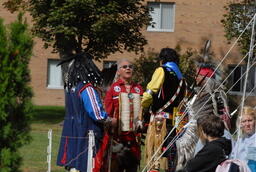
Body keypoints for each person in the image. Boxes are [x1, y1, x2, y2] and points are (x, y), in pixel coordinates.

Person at [56, 53, 116, 172]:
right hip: (87, 132)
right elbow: (96, 113)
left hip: (73, 130)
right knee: (87, 164)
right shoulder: (86, 88)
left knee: (75, 164)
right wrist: (109, 120)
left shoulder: (71, 88)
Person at [141, 48, 186, 172]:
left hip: (159, 123)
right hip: (174, 123)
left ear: (162, 60)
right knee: (169, 156)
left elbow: (150, 93)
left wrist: (143, 105)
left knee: (154, 155)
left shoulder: (162, 70)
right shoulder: (182, 79)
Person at [104, 58, 143, 172]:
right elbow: (108, 112)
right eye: (124, 67)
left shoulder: (138, 89)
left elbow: (143, 111)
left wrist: (142, 122)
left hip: (134, 139)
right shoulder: (113, 89)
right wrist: (111, 122)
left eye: (130, 67)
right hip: (117, 139)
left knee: (132, 168)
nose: (128, 68)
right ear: (118, 71)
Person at [230, 106, 256, 172]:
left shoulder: (254, 140)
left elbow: (252, 165)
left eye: (250, 120)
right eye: (244, 121)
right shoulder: (240, 140)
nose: (247, 124)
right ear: (240, 123)